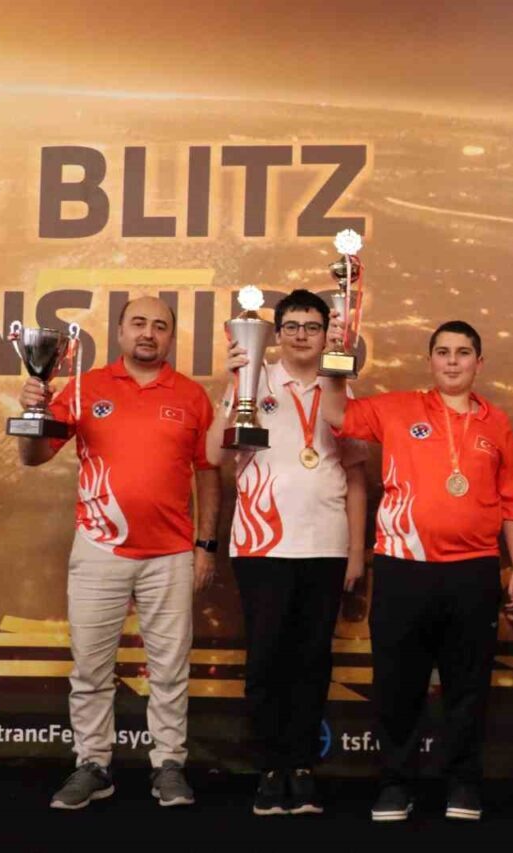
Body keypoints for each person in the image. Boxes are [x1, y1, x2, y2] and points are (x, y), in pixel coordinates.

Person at [322, 317, 513, 823]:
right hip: (404, 569)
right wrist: (334, 357)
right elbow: (334, 412)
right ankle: (395, 784)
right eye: (443, 352)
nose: (452, 361)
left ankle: (463, 783)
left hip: (474, 572)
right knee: (398, 683)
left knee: (468, 686)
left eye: (463, 352)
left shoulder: (497, 423)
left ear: (479, 363)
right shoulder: (398, 407)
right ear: (430, 360)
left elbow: (512, 499)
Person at [17, 296, 219, 810]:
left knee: (169, 669)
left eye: (160, 325)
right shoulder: (84, 388)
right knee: (91, 668)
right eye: (138, 323)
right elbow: (34, 456)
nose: (148, 333)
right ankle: (93, 764)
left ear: (171, 336)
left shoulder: (192, 396)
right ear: (121, 331)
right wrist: (33, 412)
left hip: (170, 553)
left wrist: (206, 545)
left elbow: (207, 473)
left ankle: (168, 765)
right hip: (98, 548)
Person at [205, 289, 369, 816]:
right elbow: (211, 454)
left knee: (312, 660)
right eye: (292, 326)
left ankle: (301, 765)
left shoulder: (340, 388)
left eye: (312, 326)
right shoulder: (252, 379)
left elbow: (356, 476)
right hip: (262, 546)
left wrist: (356, 552)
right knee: (267, 660)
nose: (302, 335)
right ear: (276, 335)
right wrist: (234, 384)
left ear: (326, 334)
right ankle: (269, 767)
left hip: (325, 546)